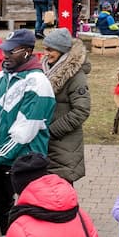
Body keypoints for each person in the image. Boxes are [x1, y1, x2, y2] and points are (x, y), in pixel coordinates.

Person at [0, 29, 56, 234]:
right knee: (2, 208)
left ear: (27, 52)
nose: (5, 55)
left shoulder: (38, 83)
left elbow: (26, 129)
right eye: (4, 51)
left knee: (28, 211)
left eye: (11, 51)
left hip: (25, 161)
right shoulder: (0, 78)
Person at [39, 29, 90, 184]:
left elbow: (82, 110)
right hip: (46, 143)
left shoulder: (75, 76)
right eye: (45, 48)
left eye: (50, 50)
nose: (45, 53)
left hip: (64, 145)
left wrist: (52, 131)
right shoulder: (45, 70)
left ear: (61, 51)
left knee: (62, 195)